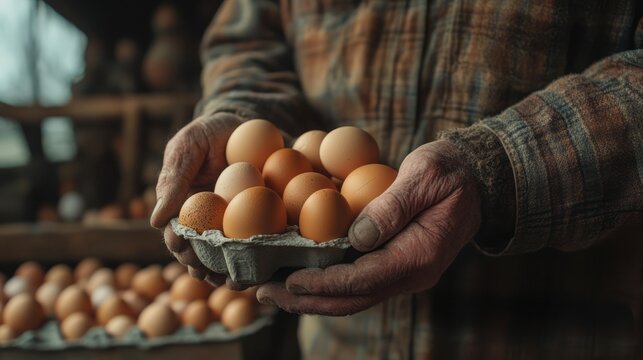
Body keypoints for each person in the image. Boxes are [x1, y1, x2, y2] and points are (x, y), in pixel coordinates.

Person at [151, 0, 642, 358]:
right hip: (339, 343)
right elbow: (248, 40)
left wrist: (496, 168)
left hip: (550, 327)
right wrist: (241, 116)